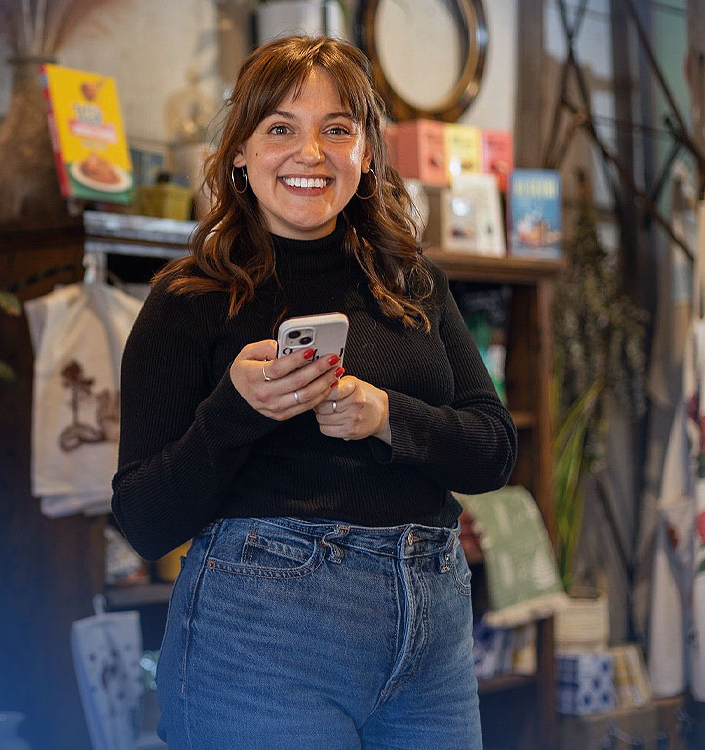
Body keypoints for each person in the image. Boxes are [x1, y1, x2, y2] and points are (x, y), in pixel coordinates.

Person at [112, 36, 514, 750]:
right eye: (280, 129)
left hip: (432, 628)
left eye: (337, 129)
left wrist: (387, 416)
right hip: (261, 643)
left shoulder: (414, 284)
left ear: (365, 155)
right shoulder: (189, 300)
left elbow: (493, 451)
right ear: (240, 153)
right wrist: (237, 413)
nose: (311, 152)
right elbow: (144, 519)